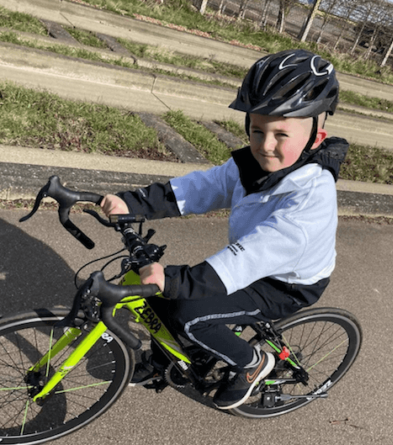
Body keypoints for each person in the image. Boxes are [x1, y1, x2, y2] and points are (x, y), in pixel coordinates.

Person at [100, 49, 348, 409]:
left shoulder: (312, 198)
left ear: (317, 137)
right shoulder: (253, 165)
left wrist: (175, 282)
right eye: (256, 130)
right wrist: (133, 203)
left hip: (285, 284)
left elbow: (250, 258)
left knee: (188, 315)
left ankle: (253, 363)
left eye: (281, 134)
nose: (265, 145)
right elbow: (201, 188)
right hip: (252, 261)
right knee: (157, 293)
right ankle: (165, 358)